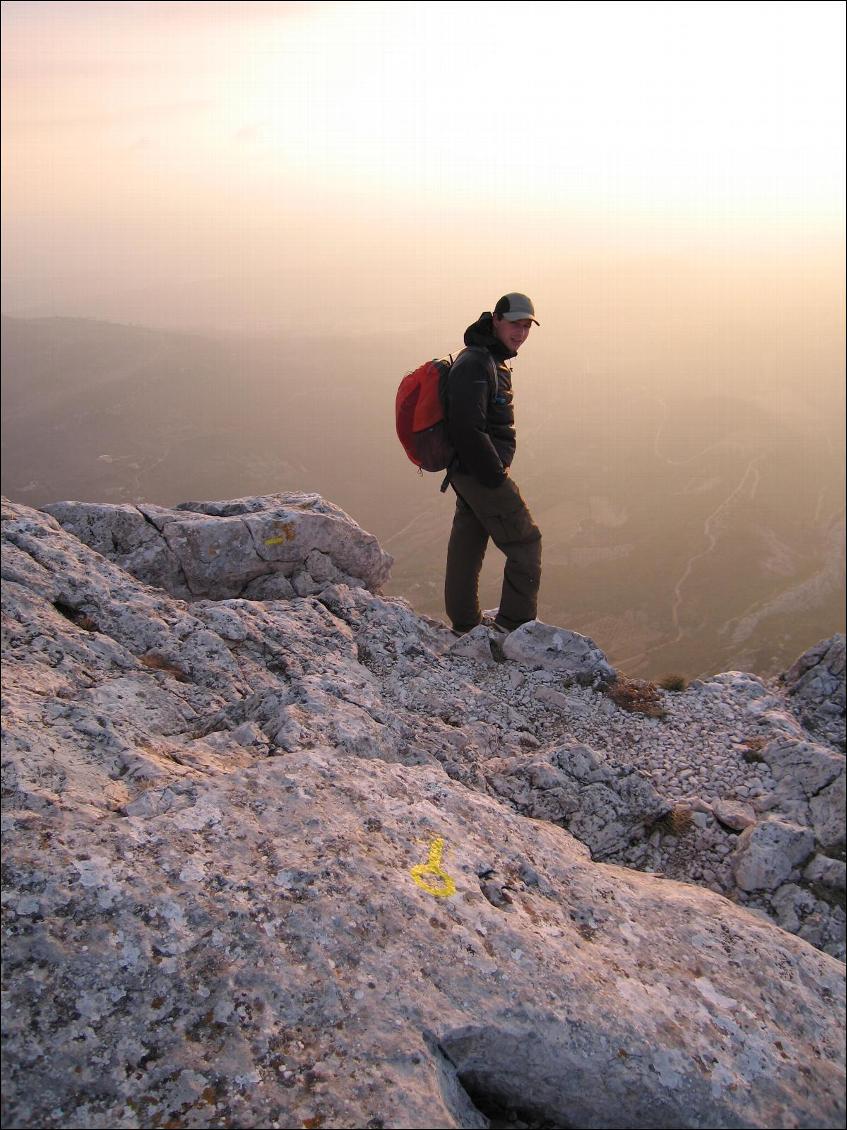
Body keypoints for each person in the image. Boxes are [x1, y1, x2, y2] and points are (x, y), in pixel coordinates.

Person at [443, 292, 542, 635]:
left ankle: (465, 623)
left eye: (527, 325)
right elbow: (467, 427)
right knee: (525, 542)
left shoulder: (487, 357)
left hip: (466, 471)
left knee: (469, 540)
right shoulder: (476, 361)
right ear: (496, 319)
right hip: (481, 472)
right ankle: (514, 628)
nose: (521, 332)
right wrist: (495, 475)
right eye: (515, 323)